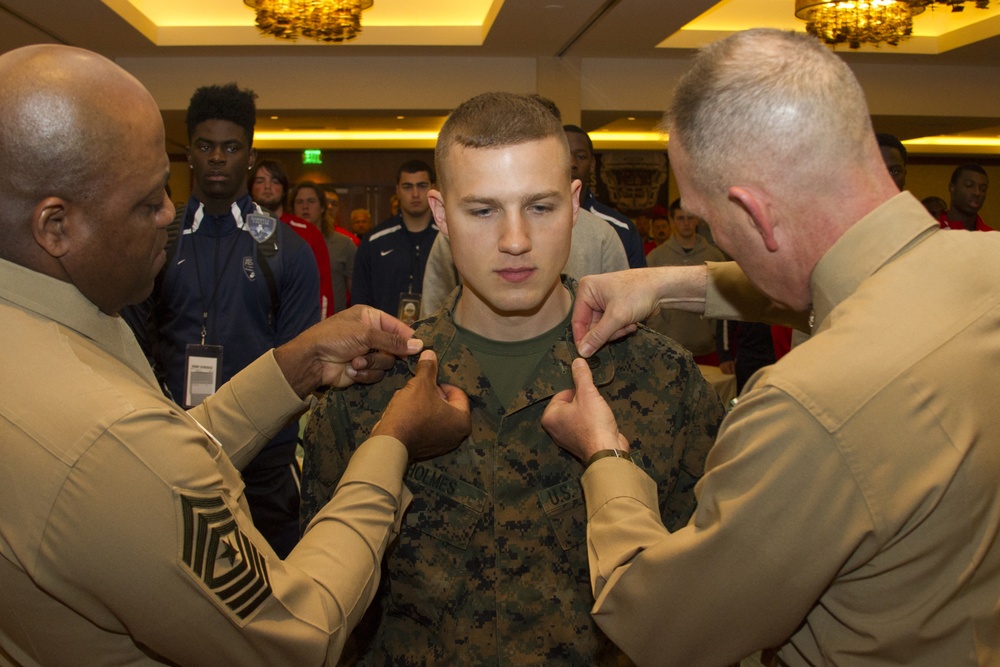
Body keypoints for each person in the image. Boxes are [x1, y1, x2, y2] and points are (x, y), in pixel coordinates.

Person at [0, 43, 472, 665]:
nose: (171, 212)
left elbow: (162, 453)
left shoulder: (55, 324)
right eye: (148, 202)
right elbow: (300, 634)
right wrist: (394, 443)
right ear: (55, 226)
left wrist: (296, 365)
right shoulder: (109, 440)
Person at [541, 29, 1000, 666]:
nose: (710, 240)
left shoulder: (806, 407)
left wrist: (603, 454)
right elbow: (839, 283)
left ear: (754, 216)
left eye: (707, 223)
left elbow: (664, 625)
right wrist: (666, 283)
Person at [300, 92, 724, 665]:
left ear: (575, 203)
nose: (516, 240)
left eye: (541, 207)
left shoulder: (662, 380)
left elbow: (702, 605)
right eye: (483, 211)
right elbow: (331, 622)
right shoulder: (374, 389)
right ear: (441, 214)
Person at [123, 82, 321, 558]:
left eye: (230, 147)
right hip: (172, 449)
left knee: (278, 587)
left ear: (249, 157)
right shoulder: (156, 241)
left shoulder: (283, 248)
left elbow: (297, 360)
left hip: (265, 461)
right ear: (188, 153)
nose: (217, 158)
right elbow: (129, 345)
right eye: (205, 146)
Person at [352, 160, 440, 319]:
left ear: (432, 188)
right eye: (407, 187)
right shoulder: (375, 241)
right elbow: (360, 300)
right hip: (385, 339)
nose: (415, 194)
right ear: (397, 190)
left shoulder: (448, 238)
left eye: (422, 186)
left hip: (439, 339)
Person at [645, 198, 726, 364]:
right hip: (668, 347)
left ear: (697, 219)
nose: (686, 223)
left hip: (706, 347)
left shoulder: (715, 257)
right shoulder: (656, 257)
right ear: (672, 221)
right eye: (681, 218)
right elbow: (647, 299)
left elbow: (724, 300)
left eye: (690, 218)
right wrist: (661, 332)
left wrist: (713, 332)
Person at [251, 159, 335, 317]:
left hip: (298, 323)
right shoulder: (239, 229)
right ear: (251, 188)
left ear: (284, 189)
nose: (267, 187)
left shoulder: (307, 232)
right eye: (260, 181)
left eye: (274, 181)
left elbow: (323, 289)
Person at [564, 124, 648, 268]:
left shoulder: (621, 229)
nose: (572, 163)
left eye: (580, 156)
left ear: (592, 165)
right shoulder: (531, 222)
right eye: (564, 154)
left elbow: (637, 288)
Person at [292, 180, 357, 313]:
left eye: (311, 201)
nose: (305, 207)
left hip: (334, 324)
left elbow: (357, 294)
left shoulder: (344, 244)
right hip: (296, 323)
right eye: (299, 202)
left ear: (322, 207)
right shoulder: (285, 244)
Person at [938, 163, 991, 231]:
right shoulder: (932, 232)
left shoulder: (992, 237)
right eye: (969, 185)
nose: (977, 193)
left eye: (983, 189)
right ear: (952, 188)